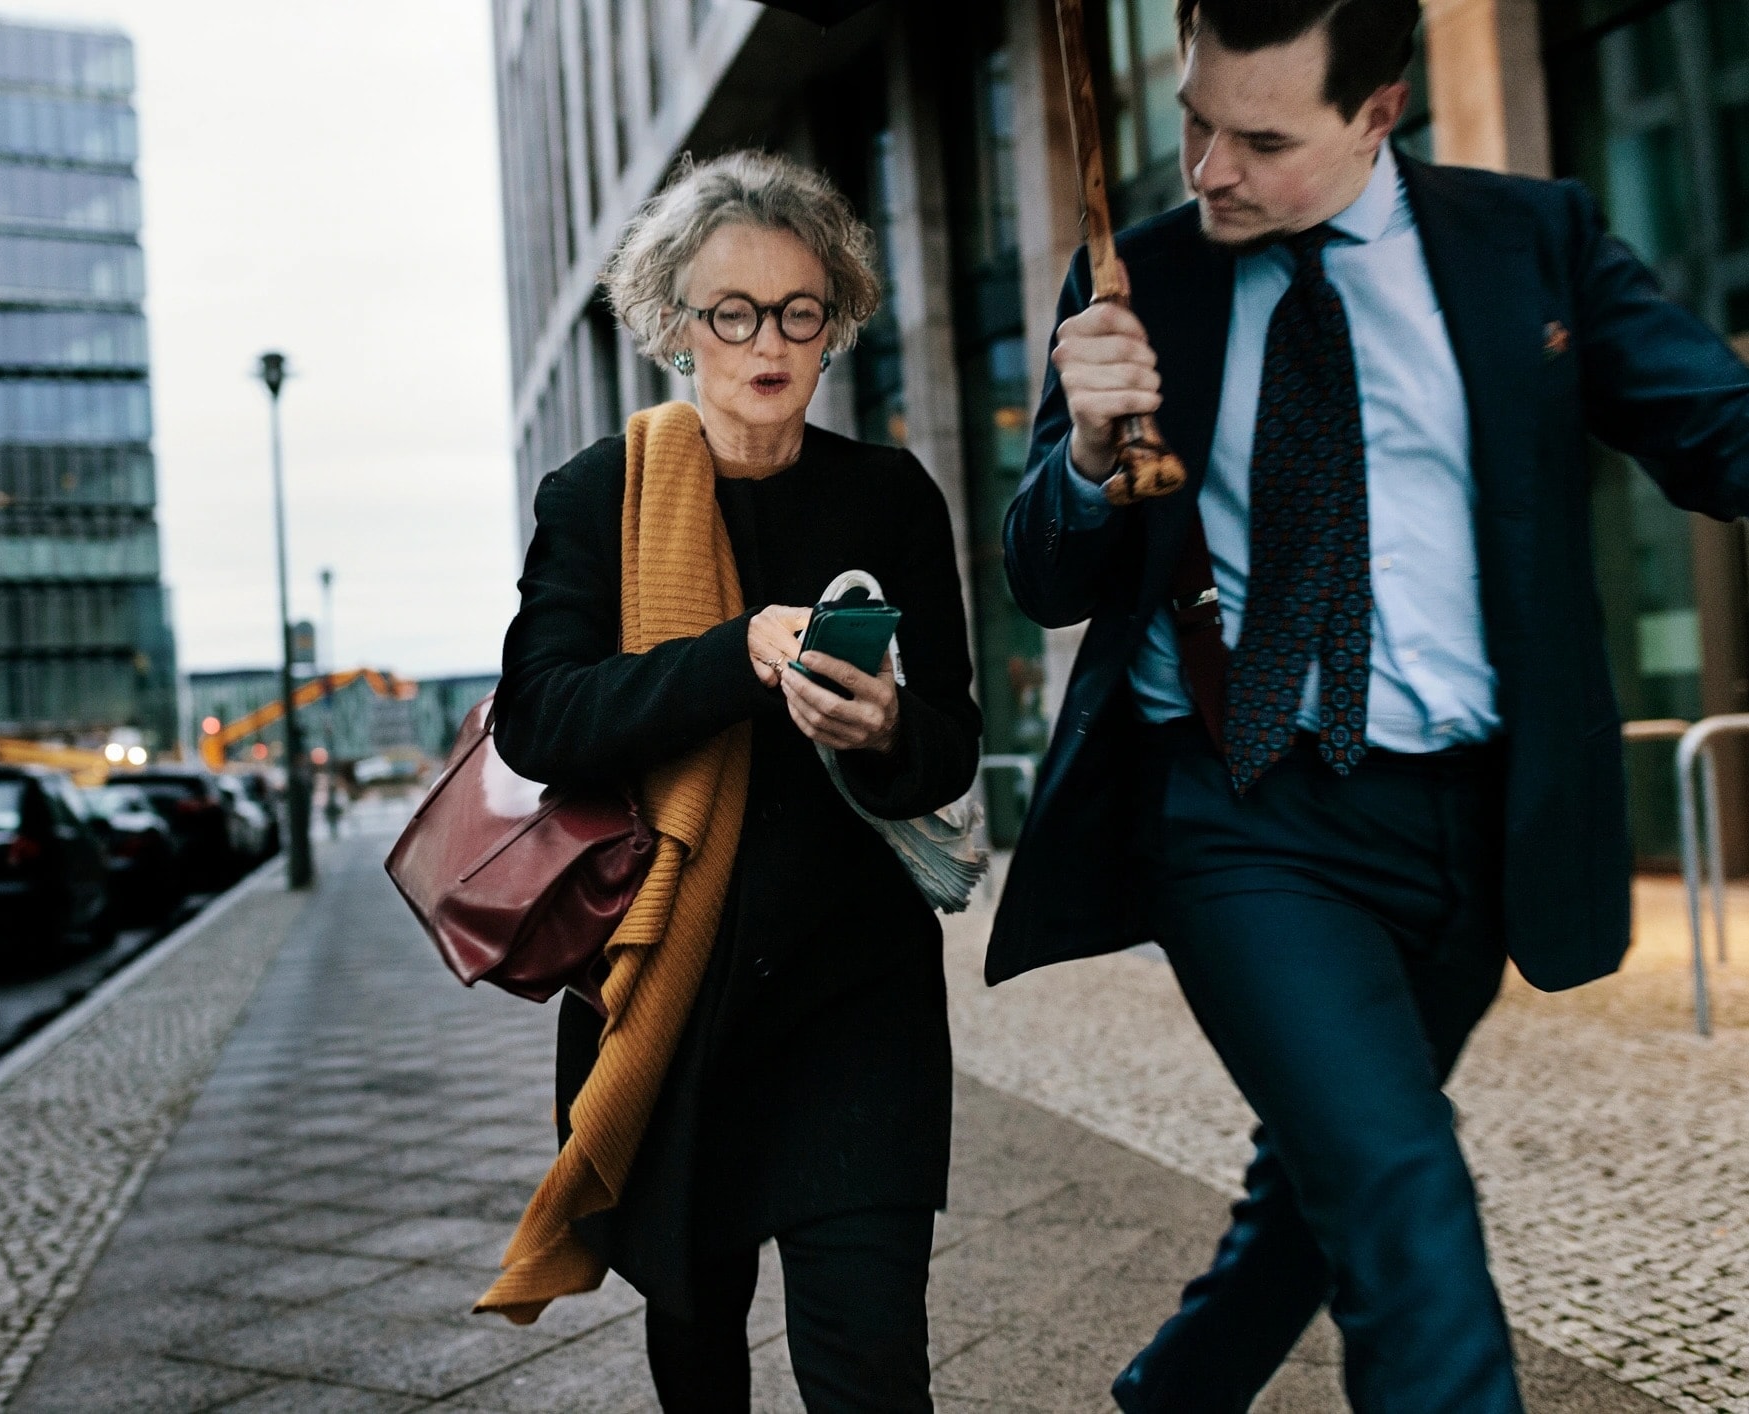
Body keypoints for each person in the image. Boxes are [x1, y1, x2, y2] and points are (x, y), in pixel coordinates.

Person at [988, 1, 1749, 1410]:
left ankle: (1172, 1393)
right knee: (1402, 1194)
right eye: (1194, 119)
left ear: (1376, 116)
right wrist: (1087, 451)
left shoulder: (1530, 241)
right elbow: (1040, 571)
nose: (1208, 166)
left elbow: (1716, 426)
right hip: (1240, 817)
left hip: (1466, 826)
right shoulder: (1129, 281)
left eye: (1260, 138)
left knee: (1329, 1171)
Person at [484, 150, 981, 1413]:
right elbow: (541, 719)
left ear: (834, 328)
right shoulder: (600, 495)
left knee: (873, 1372)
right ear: (675, 325)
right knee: (698, 1365)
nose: (770, 340)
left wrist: (882, 726)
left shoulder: (891, 496)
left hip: (853, 1003)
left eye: (800, 311)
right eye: (734, 312)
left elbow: (953, 744)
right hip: (670, 998)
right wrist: (734, 653)